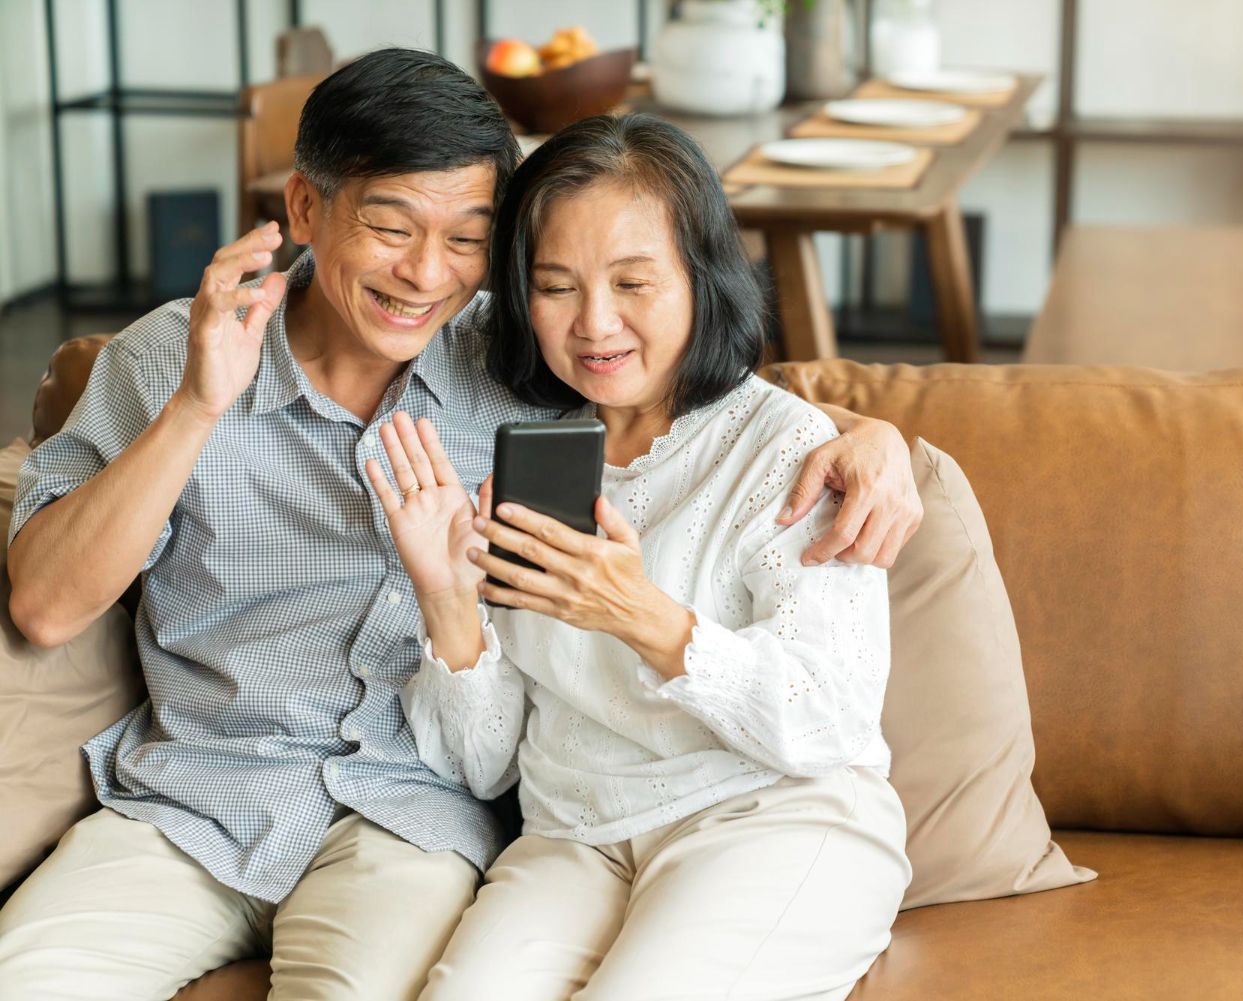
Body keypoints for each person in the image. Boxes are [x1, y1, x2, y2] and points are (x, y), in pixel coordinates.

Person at [0, 51, 920, 1001]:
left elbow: (683, 400)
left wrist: (872, 435)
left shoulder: (514, 360)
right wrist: (197, 407)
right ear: (306, 210)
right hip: (193, 801)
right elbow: (45, 607)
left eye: (468, 239)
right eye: (391, 227)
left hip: (409, 816)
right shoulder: (171, 357)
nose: (426, 275)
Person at [373, 112, 911, 1001]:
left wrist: (638, 613)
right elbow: (484, 765)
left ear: (703, 280)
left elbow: (830, 722)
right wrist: (448, 602)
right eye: (555, 285)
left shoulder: (791, 452)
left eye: (634, 282)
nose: (594, 324)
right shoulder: (517, 449)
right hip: (574, 837)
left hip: (772, 818)